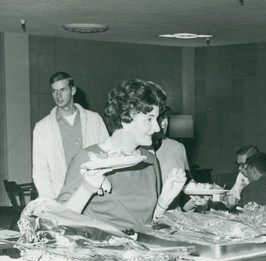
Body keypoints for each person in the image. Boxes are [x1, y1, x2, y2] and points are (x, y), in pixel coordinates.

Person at [58, 79, 187, 230]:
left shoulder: (149, 160)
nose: (157, 128)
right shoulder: (89, 159)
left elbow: (146, 225)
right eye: (149, 119)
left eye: (156, 119)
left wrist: (164, 201)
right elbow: (58, 221)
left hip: (141, 251)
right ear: (126, 120)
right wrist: (85, 190)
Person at [32, 71, 109, 199]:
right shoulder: (42, 128)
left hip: (95, 195)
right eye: (54, 91)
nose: (58, 95)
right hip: (62, 196)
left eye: (62, 90)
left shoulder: (95, 120)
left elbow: (108, 157)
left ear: (73, 90)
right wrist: (52, 202)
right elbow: (40, 171)